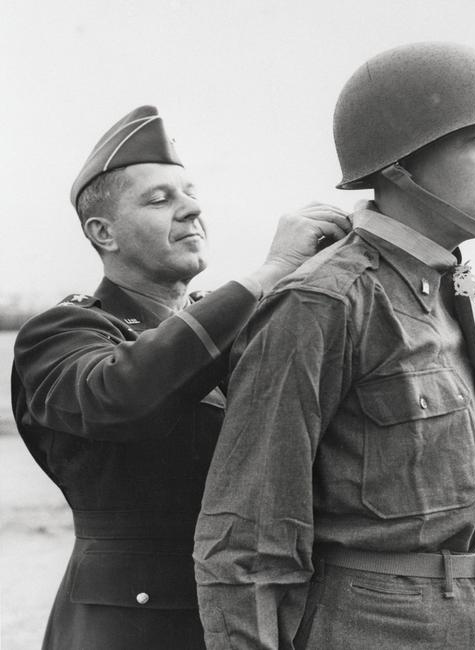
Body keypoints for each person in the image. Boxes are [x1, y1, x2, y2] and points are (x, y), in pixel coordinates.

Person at [194, 42, 475, 649]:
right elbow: (245, 541)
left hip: (469, 615)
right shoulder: (325, 301)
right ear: (397, 164)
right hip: (364, 626)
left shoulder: (455, 291)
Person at [11, 105, 350, 650]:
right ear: (104, 232)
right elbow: (125, 395)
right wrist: (270, 271)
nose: (192, 209)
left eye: (190, 193)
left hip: (244, 614)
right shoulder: (61, 332)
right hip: (130, 627)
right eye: (159, 198)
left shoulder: (226, 330)